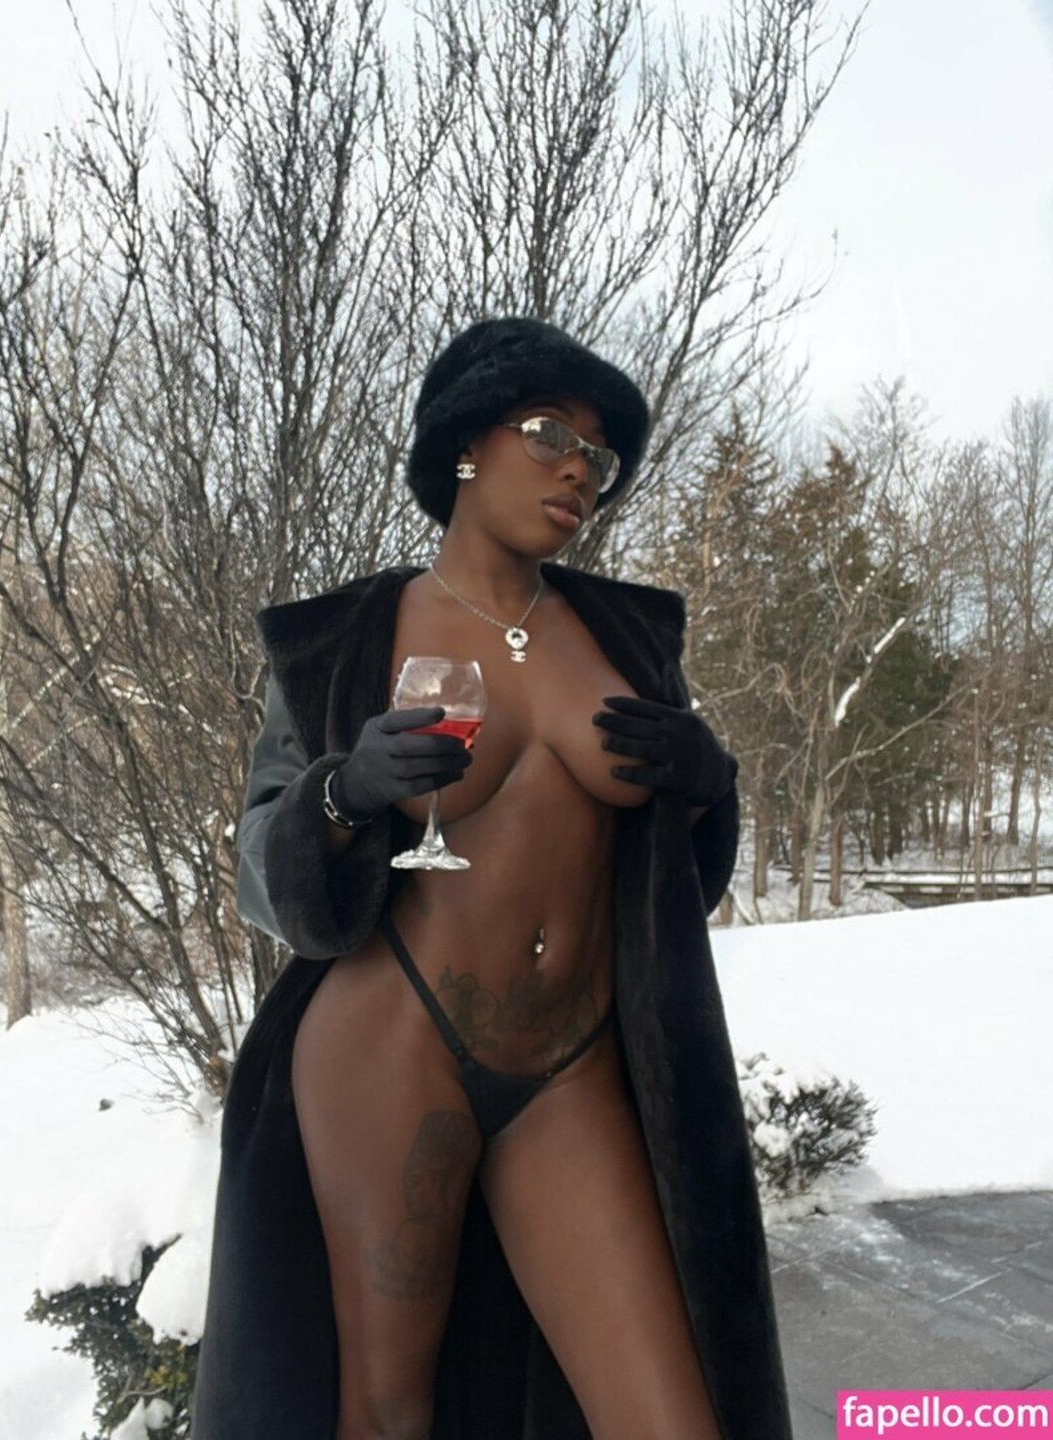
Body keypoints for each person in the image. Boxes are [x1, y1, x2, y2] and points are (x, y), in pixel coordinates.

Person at [189, 317, 793, 1440]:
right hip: (390, 1046)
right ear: (465, 445)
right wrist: (343, 793)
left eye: (600, 456)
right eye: (550, 433)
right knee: (385, 1410)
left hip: (572, 1063)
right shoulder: (344, 641)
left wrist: (711, 786)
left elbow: (677, 887)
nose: (581, 471)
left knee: (672, 1418)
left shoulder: (627, 640)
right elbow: (259, 871)